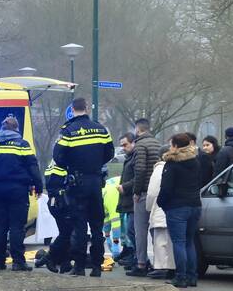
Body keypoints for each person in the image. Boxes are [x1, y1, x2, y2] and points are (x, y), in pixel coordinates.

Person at [52, 97, 115, 277]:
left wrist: (71, 167)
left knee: (79, 226)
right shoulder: (101, 129)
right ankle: (96, 266)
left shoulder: (68, 130)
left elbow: (58, 156)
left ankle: (79, 266)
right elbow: (109, 153)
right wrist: (94, 165)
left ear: (72, 109)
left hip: (77, 182)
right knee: (97, 226)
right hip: (95, 181)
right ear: (86, 108)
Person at [0, 116, 43, 271]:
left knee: (0, 226)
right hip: (18, 190)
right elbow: (33, 167)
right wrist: (38, 186)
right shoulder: (22, 145)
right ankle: (18, 262)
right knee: (17, 226)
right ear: (16, 129)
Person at [157, 133, 202, 288]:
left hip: (177, 206)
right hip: (195, 204)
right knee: (190, 242)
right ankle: (192, 276)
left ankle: (180, 276)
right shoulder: (195, 161)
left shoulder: (172, 164)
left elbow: (166, 189)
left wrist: (161, 203)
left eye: (171, 144)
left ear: (175, 146)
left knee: (178, 242)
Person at [127, 118, 162, 277]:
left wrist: (136, 191)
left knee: (140, 230)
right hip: (157, 191)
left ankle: (141, 263)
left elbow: (139, 170)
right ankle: (160, 263)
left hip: (144, 192)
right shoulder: (157, 143)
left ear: (138, 129)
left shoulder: (139, 145)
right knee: (156, 229)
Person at [145, 156, 174, 279]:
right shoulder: (178, 166)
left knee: (160, 241)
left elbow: (152, 192)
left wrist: (149, 207)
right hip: (176, 208)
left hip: (160, 208)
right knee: (172, 242)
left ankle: (161, 267)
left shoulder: (159, 169)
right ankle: (172, 267)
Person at [43, 160, 74, 273]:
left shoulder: (52, 164)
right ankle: (50, 257)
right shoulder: (62, 165)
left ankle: (65, 262)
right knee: (67, 233)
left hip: (56, 202)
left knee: (67, 233)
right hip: (61, 203)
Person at [116, 132, 136, 268]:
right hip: (128, 201)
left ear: (133, 142)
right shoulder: (130, 157)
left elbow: (139, 177)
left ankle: (136, 257)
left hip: (133, 199)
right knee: (130, 230)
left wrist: (125, 187)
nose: (123, 147)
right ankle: (133, 256)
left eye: (125, 144)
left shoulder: (135, 158)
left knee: (132, 230)